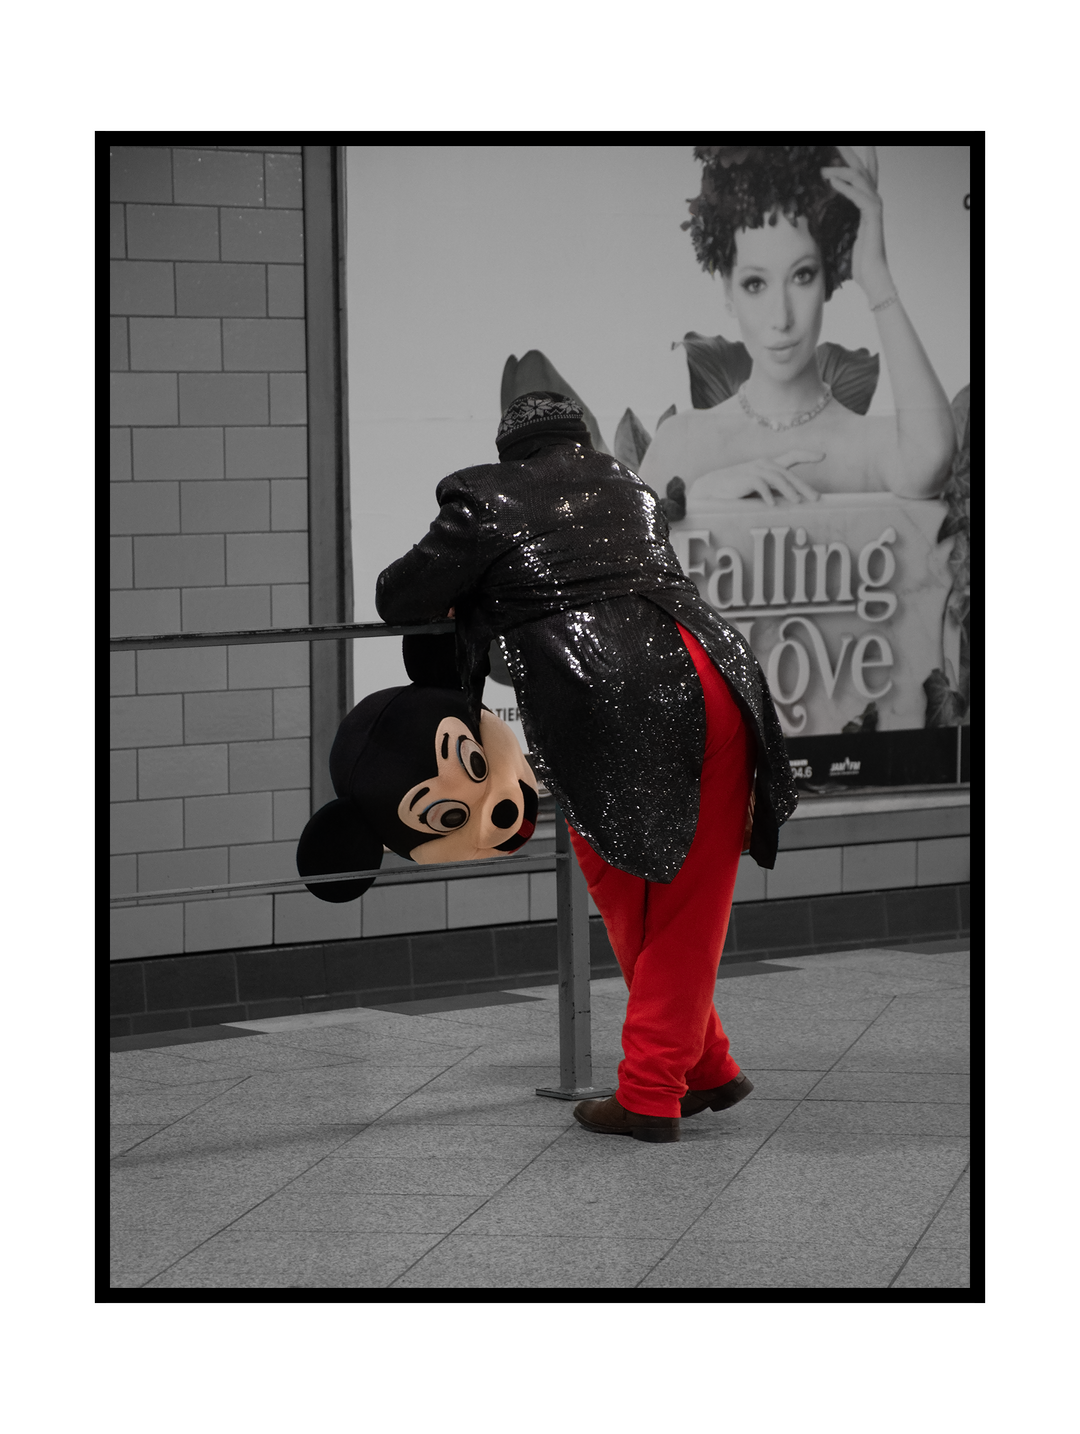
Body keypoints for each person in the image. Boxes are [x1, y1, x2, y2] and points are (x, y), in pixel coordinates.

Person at [375, 391, 798, 1143]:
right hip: (717, 675)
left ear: (512, 452)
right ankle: (704, 1066)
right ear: (582, 440)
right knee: (684, 896)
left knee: (631, 895)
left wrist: (475, 597)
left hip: (620, 697)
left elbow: (399, 594)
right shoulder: (631, 486)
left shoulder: (484, 495)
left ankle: (648, 1094)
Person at [639, 145, 956, 509]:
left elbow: (932, 461)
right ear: (728, 290)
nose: (782, 318)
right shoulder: (680, 443)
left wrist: (876, 277)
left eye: (802, 276)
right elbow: (623, 560)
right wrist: (699, 504)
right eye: (755, 284)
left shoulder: (870, 446)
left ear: (827, 279)